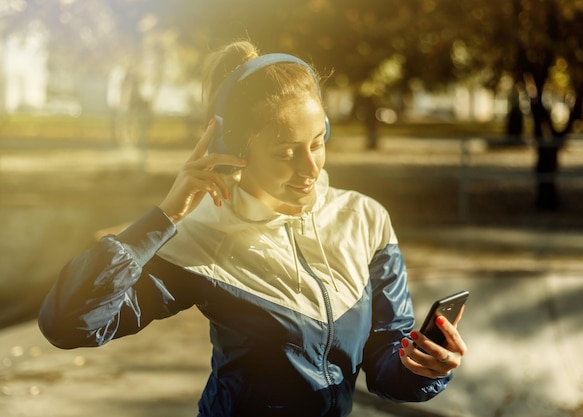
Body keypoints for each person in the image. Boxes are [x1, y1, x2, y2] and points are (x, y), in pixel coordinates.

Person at [38, 40, 467, 417]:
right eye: (286, 152)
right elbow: (69, 324)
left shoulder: (365, 219)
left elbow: (384, 360)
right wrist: (165, 216)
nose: (310, 166)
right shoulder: (203, 234)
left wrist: (418, 367)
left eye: (317, 142)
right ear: (234, 152)